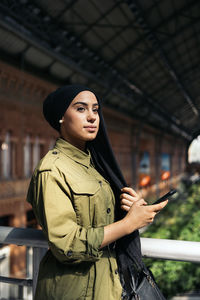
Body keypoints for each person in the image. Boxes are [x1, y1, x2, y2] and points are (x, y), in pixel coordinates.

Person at [27, 84, 168, 300]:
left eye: (95, 109)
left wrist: (132, 209)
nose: (92, 117)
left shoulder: (95, 165)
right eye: (81, 109)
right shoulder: (52, 170)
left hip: (107, 286)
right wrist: (128, 224)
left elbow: (100, 218)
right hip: (74, 291)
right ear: (61, 117)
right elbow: (66, 245)